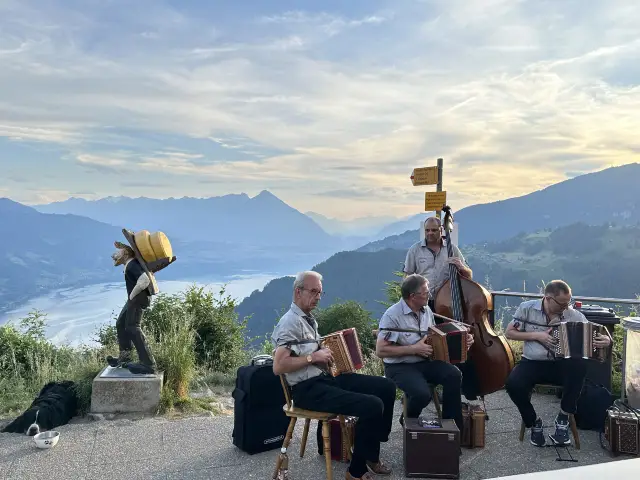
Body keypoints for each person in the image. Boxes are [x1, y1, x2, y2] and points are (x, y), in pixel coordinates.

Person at [272, 271, 396, 480]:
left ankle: (370, 452)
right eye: (313, 292)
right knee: (372, 405)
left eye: (320, 293)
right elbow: (279, 366)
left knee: (386, 387)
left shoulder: (308, 319)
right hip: (307, 390)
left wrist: (329, 356)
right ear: (298, 292)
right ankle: (355, 472)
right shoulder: (289, 322)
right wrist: (313, 357)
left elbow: (310, 354)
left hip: (324, 380)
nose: (318, 297)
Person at [504, 280, 612, 447]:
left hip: (561, 364)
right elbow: (509, 333)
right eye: (562, 303)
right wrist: (537, 335)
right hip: (532, 362)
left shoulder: (572, 314)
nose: (565, 307)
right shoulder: (527, 308)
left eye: (568, 302)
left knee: (579, 365)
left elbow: (595, 332)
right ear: (548, 298)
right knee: (513, 384)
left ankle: (563, 417)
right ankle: (533, 422)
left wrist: (606, 340)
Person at [375, 274, 474, 433]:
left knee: (454, 374)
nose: (430, 295)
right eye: (426, 292)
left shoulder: (426, 309)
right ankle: (408, 419)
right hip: (400, 367)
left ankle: (452, 429)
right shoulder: (392, 316)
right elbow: (381, 351)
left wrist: (463, 341)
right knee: (422, 394)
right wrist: (414, 349)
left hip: (425, 362)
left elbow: (434, 338)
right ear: (413, 296)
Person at [107, 241, 157, 374]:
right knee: (121, 323)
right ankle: (125, 358)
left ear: (126, 253)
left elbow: (144, 280)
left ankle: (148, 364)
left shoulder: (132, 265)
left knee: (133, 327)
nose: (115, 254)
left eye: (119, 251)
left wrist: (132, 296)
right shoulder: (129, 265)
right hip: (134, 299)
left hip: (137, 299)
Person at [403, 216, 472, 310]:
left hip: (447, 303)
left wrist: (461, 267)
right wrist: (408, 299)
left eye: (434, 230)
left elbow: (468, 276)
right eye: (427, 230)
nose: (430, 233)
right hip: (423, 302)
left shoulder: (452, 249)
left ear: (441, 230)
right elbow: (407, 276)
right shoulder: (415, 250)